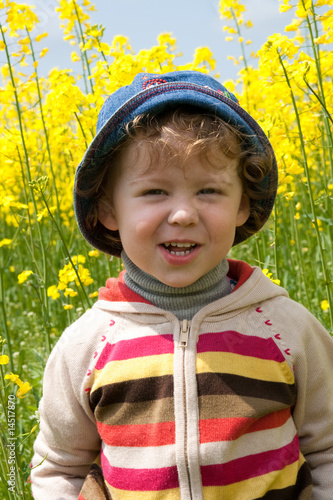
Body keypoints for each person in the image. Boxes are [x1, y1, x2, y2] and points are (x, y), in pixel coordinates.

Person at [31, 71, 333, 500]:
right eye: (155, 191)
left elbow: (328, 450)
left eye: (209, 191)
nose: (183, 215)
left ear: (242, 205)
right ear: (108, 210)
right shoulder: (88, 345)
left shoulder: (286, 330)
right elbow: (59, 468)